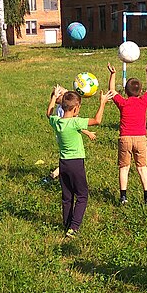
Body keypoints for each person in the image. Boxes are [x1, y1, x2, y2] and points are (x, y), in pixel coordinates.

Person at [47, 86, 114, 238]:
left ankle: (66, 223)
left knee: (67, 195)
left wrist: (53, 98)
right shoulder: (76, 123)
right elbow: (97, 120)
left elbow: (48, 113)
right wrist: (102, 102)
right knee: (82, 195)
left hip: (63, 163)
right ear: (76, 108)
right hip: (76, 163)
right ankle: (74, 227)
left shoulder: (57, 122)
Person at [107, 59, 147, 205]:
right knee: (142, 168)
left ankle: (123, 196)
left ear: (126, 91)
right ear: (140, 91)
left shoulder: (123, 102)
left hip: (125, 138)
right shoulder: (143, 101)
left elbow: (112, 91)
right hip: (141, 139)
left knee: (124, 167)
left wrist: (113, 74)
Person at [42, 84, 96, 185]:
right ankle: (54, 175)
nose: (67, 91)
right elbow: (72, 125)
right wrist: (88, 132)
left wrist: (54, 97)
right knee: (70, 157)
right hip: (66, 136)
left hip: (61, 135)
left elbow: (49, 114)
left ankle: (58, 174)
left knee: (66, 156)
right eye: (64, 92)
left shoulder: (61, 108)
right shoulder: (64, 112)